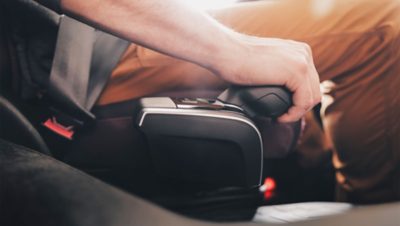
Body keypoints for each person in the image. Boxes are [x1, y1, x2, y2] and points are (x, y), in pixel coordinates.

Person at [37, 0, 400, 203]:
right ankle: (375, 209)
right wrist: (231, 49)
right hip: (70, 60)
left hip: (82, 39)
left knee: (302, 116)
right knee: (383, 27)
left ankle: (317, 174)